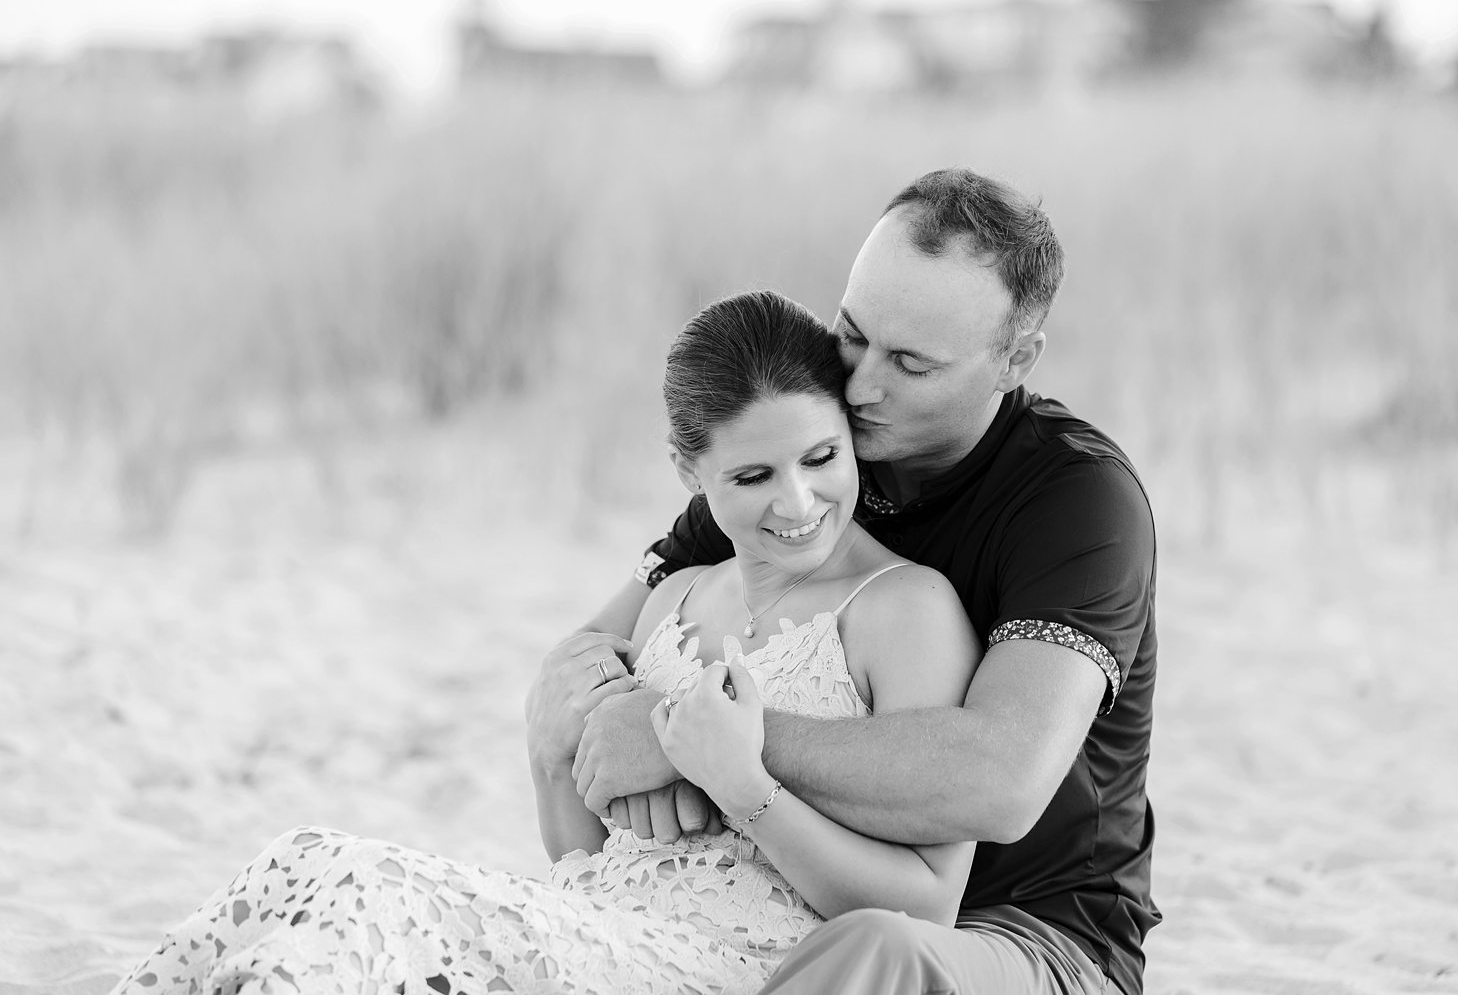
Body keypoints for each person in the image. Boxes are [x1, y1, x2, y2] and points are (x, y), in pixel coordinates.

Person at [108, 290, 985, 994]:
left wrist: (742, 783)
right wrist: (549, 746)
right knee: (303, 868)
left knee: (367, 890)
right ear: (690, 474)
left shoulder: (903, 611)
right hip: (590, 926)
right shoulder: (673, 601)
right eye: (753, 475)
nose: (798, 502)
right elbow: (582, 852)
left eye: (822, 456)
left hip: (740, 965)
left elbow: (927, 906)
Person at [569, 168, 1160, 995]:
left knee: (879, 951)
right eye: (853, 335)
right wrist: (593, 700)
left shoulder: (1078, 501)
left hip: (1035, 939)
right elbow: (588, 648)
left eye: (910, 363)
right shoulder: (807, 466)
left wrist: (689, 736)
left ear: (1014, 359)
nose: (859, 385)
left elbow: (1002, 782)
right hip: (801, 911)